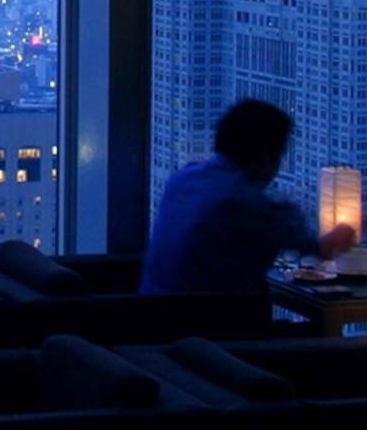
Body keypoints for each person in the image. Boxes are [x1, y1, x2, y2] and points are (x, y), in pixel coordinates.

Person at [141, 99, 353, 296]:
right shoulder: (245, 201)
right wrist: (347, 230)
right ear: (264, 157)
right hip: (209, 327)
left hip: (154, 319)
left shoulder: (183, 178)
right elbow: (321, 248)